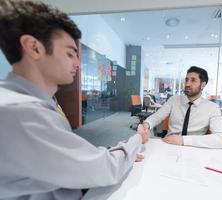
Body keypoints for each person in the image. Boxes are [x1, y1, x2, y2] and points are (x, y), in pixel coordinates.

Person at [0, 1, 149, 199]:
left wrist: (110, 155)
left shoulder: (34, 101)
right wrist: (137, 140)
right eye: (70, 53)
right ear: (34, 48)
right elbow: (105, 170)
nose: (78, 63)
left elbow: (66, 156)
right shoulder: (22, 112)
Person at [141, 66, 222, 148]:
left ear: (203, 85)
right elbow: (157, 116)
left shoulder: (212, 108)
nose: (187, 84)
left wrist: (183, 140)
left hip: (195, 148)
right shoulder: (173, 100)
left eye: (193, 80)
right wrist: (147, 124)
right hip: (169, 145)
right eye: (186, 80)